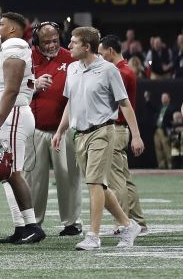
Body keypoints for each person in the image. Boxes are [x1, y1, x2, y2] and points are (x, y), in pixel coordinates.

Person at [52, 27, 144, 250]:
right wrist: (60, 130)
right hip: (80, 135)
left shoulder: (109, 70)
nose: (70, 45)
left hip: (102, 131)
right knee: (99, 185)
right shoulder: (72, 69)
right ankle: (128, 225)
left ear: (87, 47)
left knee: (94, 183)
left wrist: (136, 135)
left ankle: (93, 236)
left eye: (74, 42)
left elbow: (125, 104)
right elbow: (71, 103)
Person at [0, 12, 44, 245]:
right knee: (7, 174)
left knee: (13, 172)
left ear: (12, 29)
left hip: (13, 115)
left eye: (1, 24)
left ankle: (32, 226)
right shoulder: (11, 46)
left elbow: (11, 90)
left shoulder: (14, 45)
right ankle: (21, 227)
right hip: (11, 115)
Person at [24, 19, 82, 234]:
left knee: (68, 177)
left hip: (64, 128)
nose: (51, 45)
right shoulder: (26, 57)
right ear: (36, 41)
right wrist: (33, 85)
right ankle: (33, 222)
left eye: (55, 40)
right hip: (35, 129)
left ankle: (72, 223)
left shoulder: (71, 57)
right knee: (33, 179)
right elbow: (11, 86)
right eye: (46, 41)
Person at [97, 35, 148, 234]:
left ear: (110, 51)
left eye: (101, 53)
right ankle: (139, 222)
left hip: (116, 129)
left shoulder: (120, 73)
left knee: (116, 179)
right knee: (125, 179)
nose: (100, 57)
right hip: (121, 129)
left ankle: (123, 223)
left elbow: (121, 105)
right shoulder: (125, 70)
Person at [153, 93, 175, 168]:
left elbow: (173, 120)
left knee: (166, 148)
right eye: (162, 97)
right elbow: (151, 108)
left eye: (165, 97)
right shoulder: (159, 107)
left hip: (164, 130)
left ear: (169, 98)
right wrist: (147, 100)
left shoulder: (172, 108)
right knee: (158, 148)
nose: (163, 99)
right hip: (157, 130)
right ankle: (161, 165)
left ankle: (170, 165)